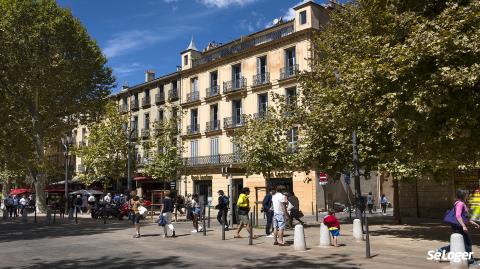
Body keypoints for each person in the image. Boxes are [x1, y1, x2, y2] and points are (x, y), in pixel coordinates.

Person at [438, 189, 480, 264]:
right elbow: (458, 216)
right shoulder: (460, 204)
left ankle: (442, 250)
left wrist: (474, 223)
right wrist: (464, 226)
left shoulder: (459, 203)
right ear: (463, 195)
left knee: (461, 242)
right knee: (467, 241)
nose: (468, 196)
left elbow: (464, 217)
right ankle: (470, 260)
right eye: (467, 194)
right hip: (458, 226)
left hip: (457, 225)